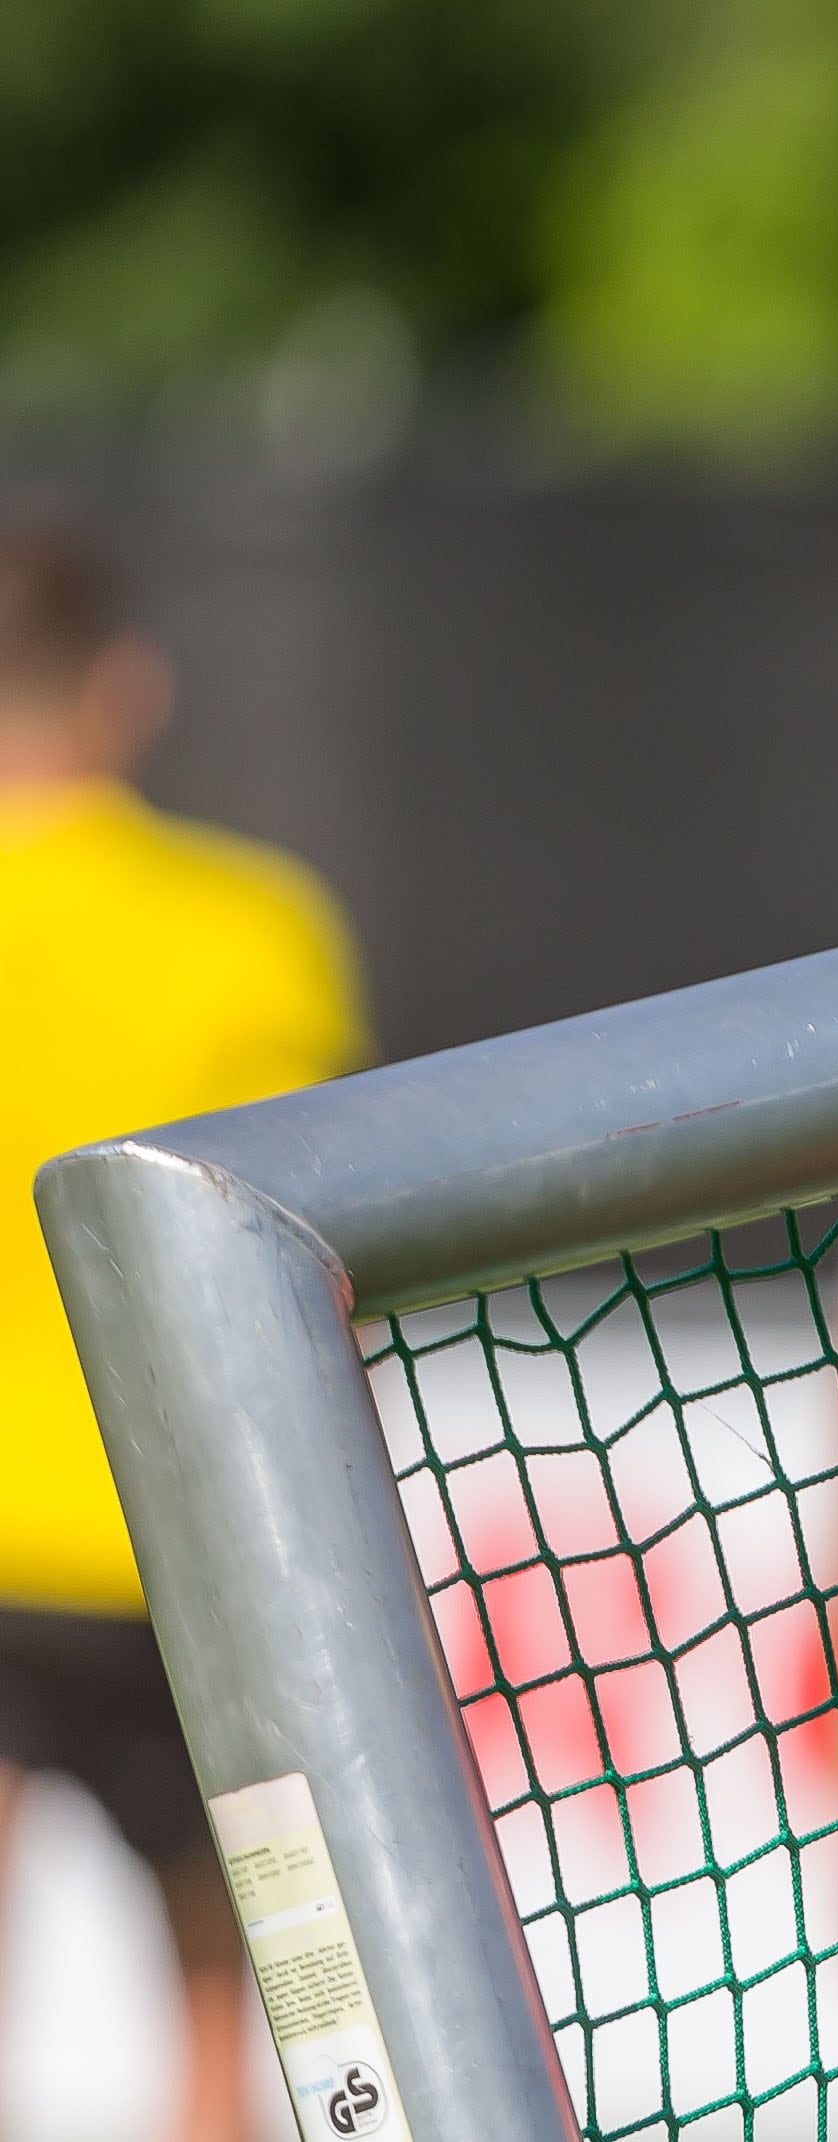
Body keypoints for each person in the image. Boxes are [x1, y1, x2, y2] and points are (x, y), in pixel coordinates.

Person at [0, 522, 371, 2142]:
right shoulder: (253, 925)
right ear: (126, 688)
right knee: (235, 2006)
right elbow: (321, 1249)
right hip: (192, 1553)